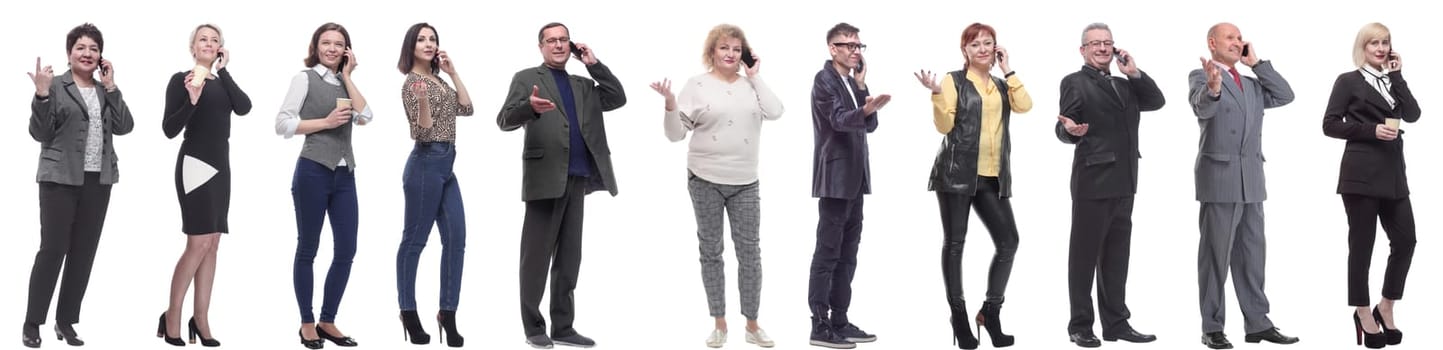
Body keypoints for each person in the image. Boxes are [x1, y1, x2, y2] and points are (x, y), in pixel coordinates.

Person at [649, 23, 784, 349]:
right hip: (704, 179)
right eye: (725, 48)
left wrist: (755, 76)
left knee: (750, 254)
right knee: (711, 252)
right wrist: (669, 104)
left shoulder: (751, 85)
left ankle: (752, 324)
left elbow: (776, 111)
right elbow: (674, 135)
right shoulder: (696, 85)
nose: (731, 54)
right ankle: (720, 324)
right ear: (712, 51)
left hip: (745, 182)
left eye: (737, 49)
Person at [497, 22, 626, 349]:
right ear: (541, 47)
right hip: (545, 178)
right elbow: (504, 120)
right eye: (551, 41)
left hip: (578, 178)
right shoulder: (527, 78)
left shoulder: (583, 84)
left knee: (570, 258)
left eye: (563, 40)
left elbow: (617, 97)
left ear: (572, 45)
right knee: (536, 258)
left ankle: (564, 327)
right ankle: (533, 327)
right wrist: (530, 108)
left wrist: (593, 63)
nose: (558, 45)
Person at [912, 21, 1033, 349]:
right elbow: (944, 126)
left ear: (996, 49)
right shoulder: (953, 81)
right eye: (975, 44)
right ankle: (959, 315)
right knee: (955, 244)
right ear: (964, 50)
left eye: (988, 43)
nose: (983, 48)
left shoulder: (999, 83)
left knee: (1008, 242)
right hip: (955, 175)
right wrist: (937, 95)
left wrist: (1009, 71)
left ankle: (990, 312)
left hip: (991, 176)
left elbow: (1025, 106)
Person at [22, 22, 135, 349]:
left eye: (94, 49)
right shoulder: (55, 86)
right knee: (53, 249)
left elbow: (125, 126)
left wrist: (112, 86)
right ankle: (32, 322)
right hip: (59, 178)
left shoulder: (104, 89)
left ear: (101, 56)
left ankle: (66, 321)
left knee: (83, 253)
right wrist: (41, 95)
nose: (87, 53)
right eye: (81, 48)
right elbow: (40, 134)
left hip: (98, 181)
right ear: (69, 53)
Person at [1187, 22, 1298, 350]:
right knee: (1215, 257)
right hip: (1219, 179)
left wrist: (1258, 64)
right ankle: (1212, 327)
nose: (1237, 42)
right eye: (1230, 38)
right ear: (1212, 43)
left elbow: (1286, 95)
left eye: (1240, 38)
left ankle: (1257, 323)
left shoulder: (1252, 84)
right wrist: (1213, 88)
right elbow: (1201, 106)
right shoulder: (1201, 76)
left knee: (1252, 255)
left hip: (1251, 179)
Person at [1053, 22, 1164, 348]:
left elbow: (1156, 101)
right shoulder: (1074, 82)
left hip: (1125, 181)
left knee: (1117, 258)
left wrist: (1134, 71)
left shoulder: (1125, 84)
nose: (1102, 48)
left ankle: (1116, 323)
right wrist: (1070, 132)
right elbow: (1064, 125)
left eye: (1107, 43)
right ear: (1083, 50)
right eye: (1095, 43)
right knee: (1084, 257)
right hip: (1093, 180)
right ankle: (1080, 326)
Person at [1321, 22, 1420, 349]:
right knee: (1362, 247)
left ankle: (1386, 305)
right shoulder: (1348, 81)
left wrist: (1398, 76)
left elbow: (1414, 114)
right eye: (1373, 43)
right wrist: (1370, 130)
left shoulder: (1392, 81)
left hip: (1393, 175)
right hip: (1361, 174)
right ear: (1362, 48)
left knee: (1406, 240)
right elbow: (1329, 124)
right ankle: (1362, 311)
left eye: (1385, 42)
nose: (1379, 48)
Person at [275, 22, 373, 350]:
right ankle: (307, 323)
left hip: (345, 174)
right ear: (316, 46)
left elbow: (367, 116)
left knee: (347, 249)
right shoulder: (303, 79)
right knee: (309, 247)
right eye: (326, 43)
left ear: (347, 50)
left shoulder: (347, 83)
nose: (331, 48)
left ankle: (328, 320)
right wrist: (325, 123)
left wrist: (348, 76)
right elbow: (282, 122)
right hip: (313, 170)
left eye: (338, 44)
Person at [159, 23, 253, 347]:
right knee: (196, 244)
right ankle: (172, 316)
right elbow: (169, 129)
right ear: (192, 46)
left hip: (221, 167)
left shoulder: (223, 82)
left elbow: (244, 107)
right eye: (203, 39)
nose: (209, 43)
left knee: (213, 243)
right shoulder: (181, 80)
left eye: (215, 40)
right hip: (194, 165)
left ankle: (201, 319)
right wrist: (192, 99)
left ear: (220, 49)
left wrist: (223, 72)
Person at [807, 22, 892, 350]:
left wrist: (862, 91)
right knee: (827, 252)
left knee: (848, 253)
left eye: (859, 46)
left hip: (856, 180)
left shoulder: (850, 81)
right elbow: (839, 121)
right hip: (835, 179)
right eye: (850, 45)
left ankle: (839, 320)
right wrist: (865, 106)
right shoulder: (824, 80)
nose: (856, 51)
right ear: (833, 49)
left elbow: (869, 124)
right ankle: (819, 324)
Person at [394, 22, 475, 348]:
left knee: (456, 239)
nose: (428, 44)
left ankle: (448, 313)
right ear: (410, 46)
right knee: (414, 241)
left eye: (433, 39)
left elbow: (467, 109)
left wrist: (453, 73)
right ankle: (408, 312)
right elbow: (422, 133)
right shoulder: (412, 83)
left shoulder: (438, 79)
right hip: (425, 163)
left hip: (447, 166)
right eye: (421, 39)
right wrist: (424, 101)